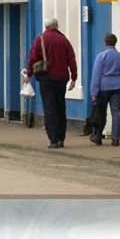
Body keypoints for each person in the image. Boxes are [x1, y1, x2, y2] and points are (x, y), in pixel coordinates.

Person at [24, 18, 78, 149]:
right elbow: (72, 59)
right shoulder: (64, 40)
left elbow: (32, 58)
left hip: (45, 78)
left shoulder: (40, 39)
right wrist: (73, 78)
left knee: (49, 108)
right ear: (55, 25)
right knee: (60, 107)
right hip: (61, 78)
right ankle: (61, 139)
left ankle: (53, 140)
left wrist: (28, 74)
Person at [89, 32, 120, 146]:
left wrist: (94, 92)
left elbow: (96, 75)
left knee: (101, 112)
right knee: (116, 112)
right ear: (115, 42)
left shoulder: (101, 56)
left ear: (105, 42)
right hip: (118, 86)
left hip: (104, 87)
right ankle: (116, 138)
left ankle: (98, 137)